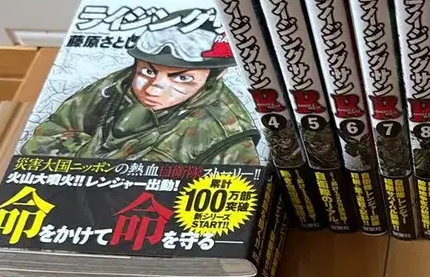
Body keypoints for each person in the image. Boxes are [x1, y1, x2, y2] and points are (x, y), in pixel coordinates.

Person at [22, 12, 262, 165]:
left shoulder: (227, 133)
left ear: (215, 76)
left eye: (182, 78)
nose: (154, 89)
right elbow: (41, 141)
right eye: (147, 72)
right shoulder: (116, 86)